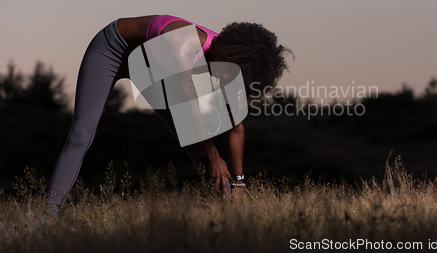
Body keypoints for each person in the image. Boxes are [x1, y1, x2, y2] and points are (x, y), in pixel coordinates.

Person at [43, 14, 293, 224]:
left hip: (151, 66)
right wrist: (215, 156)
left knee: (202, 153)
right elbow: (190, 109)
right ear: (223, 55)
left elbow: (236, 127)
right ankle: (48, 219)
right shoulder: (185, 46)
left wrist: (240, 183)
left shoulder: (233, 64)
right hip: (114, 48)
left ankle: (233, 217)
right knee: (81, 134)